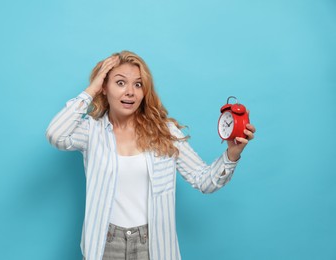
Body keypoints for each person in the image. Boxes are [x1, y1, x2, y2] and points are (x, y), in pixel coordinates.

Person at [45, 50, 256, 260]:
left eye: (138, 84)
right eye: (120, 83)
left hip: (153, 246)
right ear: (104, 88)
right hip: (104, 243)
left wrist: (231, 154)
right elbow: (56, 134)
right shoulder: (92, 131)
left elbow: (204, 181)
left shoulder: (164, 132)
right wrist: (91, 89)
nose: (130, 92)